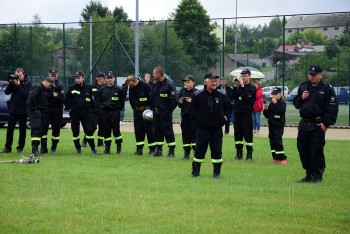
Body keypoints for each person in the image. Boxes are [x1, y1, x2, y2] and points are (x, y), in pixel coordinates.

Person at [293, 65, 338, 183]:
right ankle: (308, 174)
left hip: (318, 125)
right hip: (304, 124)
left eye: (314, 74)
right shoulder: (304, 86)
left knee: (316, 150)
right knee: (303, 149)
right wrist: (302, 98)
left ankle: (317, 175)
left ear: (320, 75)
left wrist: (326, 123)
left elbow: (332, 107)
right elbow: (296, 104)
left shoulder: (326, 88)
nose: (311, 76)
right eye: (310, 74)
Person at [190, 72, 232, 179]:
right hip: (203, 128)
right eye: (212, 81)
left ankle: (217, 173)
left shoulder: (221, 95)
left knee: (217, 150)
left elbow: (229, 107)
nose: (214, 83)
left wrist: (226, 117)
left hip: (217, 129)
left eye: (215, 81)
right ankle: (195, 172)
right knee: (199, 149)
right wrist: (198, 121)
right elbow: (192, 110)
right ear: (206, 82)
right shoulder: (198, 95)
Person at [64, 71, 96, 155]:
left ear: (83, 78)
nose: (77, 80)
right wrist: (70, 109)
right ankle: (78, 148)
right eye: (76, 78)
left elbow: (91, 100)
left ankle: (93, 149)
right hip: (75, 114)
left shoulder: (88, 88)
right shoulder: (72, 88)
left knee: (89, 131)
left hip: (86, 114)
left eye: (79, 78)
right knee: (75, 132)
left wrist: (92, 109)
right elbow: (66, 100)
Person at [1, 68, 32, 154]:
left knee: (22, 130)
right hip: (13, 110)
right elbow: (7, 92)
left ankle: (20, 147)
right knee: (10, 129)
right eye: (17, 75)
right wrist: (11, 83)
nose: (18, 77)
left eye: (20, 76)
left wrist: (18, 85)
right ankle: (7, 147)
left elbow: (26, 95)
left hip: (23, 111)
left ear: (24, 74)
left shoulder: (27, 83)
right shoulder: (13, 82)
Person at [151, 66, 177, 157]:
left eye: (154, 73)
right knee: (157, 131)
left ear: (159, 74)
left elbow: (174, 101)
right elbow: (153, 97)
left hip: (165, 113)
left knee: (168, 131)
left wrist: (167, 112)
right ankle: (159, 150)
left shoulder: (169, 85)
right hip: (156, 113)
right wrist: (153, 109)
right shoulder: (155, 84)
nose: (153, 74)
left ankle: (171, 151)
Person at [230, 68, 256, 161]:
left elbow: (246, 98)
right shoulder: (238, 87)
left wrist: (241, 85)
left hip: (246, 113)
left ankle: (249, 155)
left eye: (245, 75)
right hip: (237, 113)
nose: (243, 77)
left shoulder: (252, 88)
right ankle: (239, 153)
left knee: (247, 133)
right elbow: (233, 96)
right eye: (242, 75)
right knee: (238, 134)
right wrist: (234, 86)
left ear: (249, 76)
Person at [127, 75, 155, 155]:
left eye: (131, 84)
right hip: (137, 111)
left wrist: (150, 109)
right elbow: (131, 99)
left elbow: (151, 98)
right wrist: (135, 108)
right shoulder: (131, 88)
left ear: (135, 80)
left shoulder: (146, 86)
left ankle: (152, 149)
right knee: (138, 130)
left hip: (147, 111)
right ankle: (139, 150)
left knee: (149, 130)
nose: (130, 86)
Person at [26, 77, 55, 155]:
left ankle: (35, 149)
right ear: (46, 82)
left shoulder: (42, 89)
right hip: (35, 112)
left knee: (39, 129)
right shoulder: (38, 87)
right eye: (50, 85)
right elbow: (31, 98)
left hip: (39, 111)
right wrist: (35, 109)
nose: (50, 87)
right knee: (36, 129)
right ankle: (34, 150)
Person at [100, 71, 126, 154]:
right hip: (105, 112)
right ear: (106, 79)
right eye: (108, 78)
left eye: (111, 78)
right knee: (106, 131)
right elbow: (100, 101)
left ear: (114, 78)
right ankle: (107, 149)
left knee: (116, 131)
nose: (109, 79)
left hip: (115, 112)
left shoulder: (119, 89)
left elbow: (122, 102)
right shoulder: (103, 89)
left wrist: (117, 110)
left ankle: (119, 149)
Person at [40, 68, 65, 154]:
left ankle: (53, 148)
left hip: (57, 110)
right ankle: (43, 148)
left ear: (57, 75)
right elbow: (43, 96)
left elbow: (61, 97)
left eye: (55, 75)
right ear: (48, 75)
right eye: (52, 75)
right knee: (44, 128)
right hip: (46, 109)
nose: (53, 76)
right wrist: (53, 95)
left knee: (56, 129)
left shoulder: (60, 84)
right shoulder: (45, 83)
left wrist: (49, 96)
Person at [263, 87, 287, 164]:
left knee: (278, 141)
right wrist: (265, 109)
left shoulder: (282, 103)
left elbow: (280, 111)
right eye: (273, 94)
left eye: (275, 94)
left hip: (278, 125)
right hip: (271, 125)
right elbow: (267, 115)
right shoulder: (271, 103)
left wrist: (276, 103)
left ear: (280, 94)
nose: (273, 96)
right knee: (272, 141)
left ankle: (282, 158)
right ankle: (275, 157)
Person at [82, 72, 105, 147]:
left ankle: (100, 142)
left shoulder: (105, 87)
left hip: (103, 110)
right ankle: (85, 140)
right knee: (93, 127)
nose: (104, 80)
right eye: (103, 78)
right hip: (93, 111)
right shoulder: (91, 86)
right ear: (98, 79)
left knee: (102, 127)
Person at [178, 75, 198, 160]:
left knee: (194, 135)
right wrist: (180, 101)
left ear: (193, 82)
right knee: (185, 135)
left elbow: (199, 105)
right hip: (185, 117)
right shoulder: (182, 91)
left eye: (188, 82)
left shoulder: (197, 92)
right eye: (185, 82)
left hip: (194, 118)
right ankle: (186, 154)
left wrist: (192, 101)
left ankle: (196, 153)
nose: (186, 83)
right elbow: (179, 105)